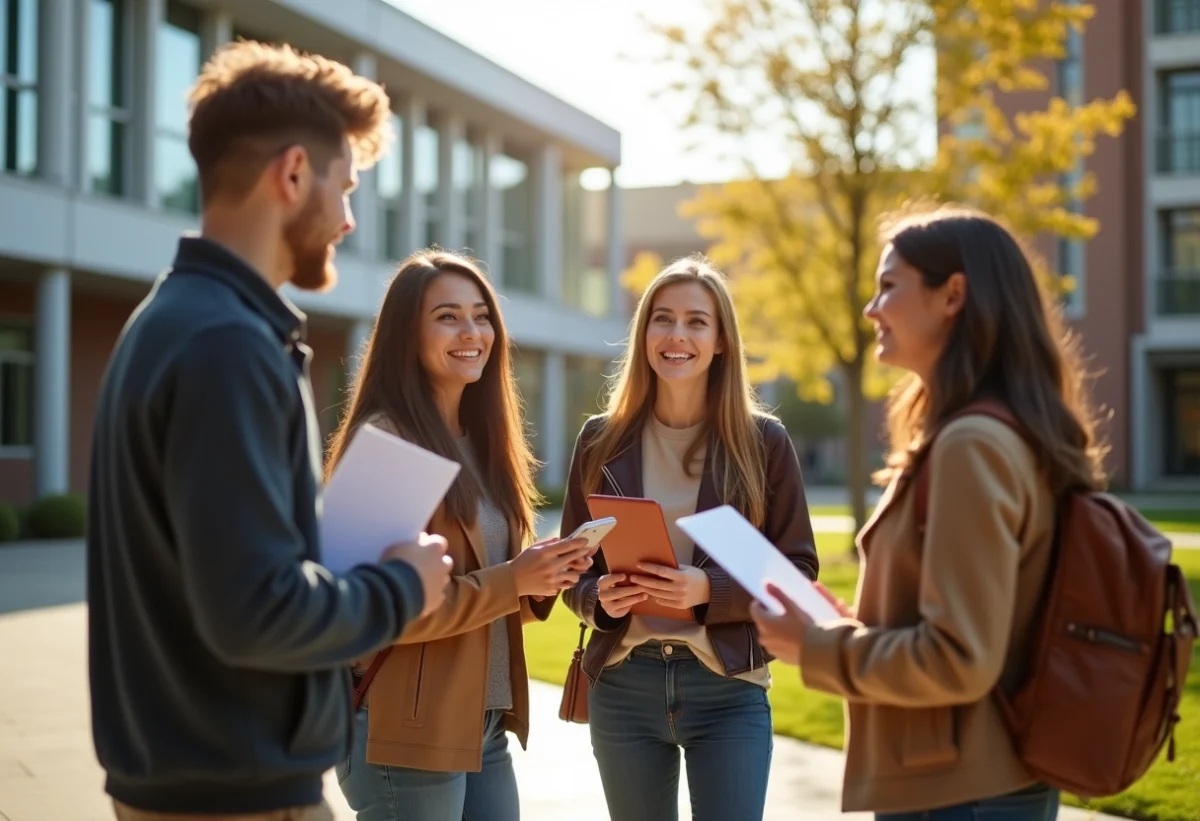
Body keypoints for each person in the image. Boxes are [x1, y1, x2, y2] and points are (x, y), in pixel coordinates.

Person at [87, 41, 453, 821]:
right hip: (242, 795)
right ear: (293, 174)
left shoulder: (167, 321)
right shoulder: (228, 344)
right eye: (346, 187)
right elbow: (255, 611)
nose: (350, 219)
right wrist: (403, 586)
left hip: (186, 782)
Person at [752, 207, 1107, 821]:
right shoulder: (994, 432)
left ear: (953, 296)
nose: (871, 309)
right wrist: (850, 628)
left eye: (889, 286)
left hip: (960, 794)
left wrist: (816, 647)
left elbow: (958, 658)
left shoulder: (973, 445)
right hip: (971, 783)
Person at [326, 249, 594, 821]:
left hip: (484, 725)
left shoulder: (480, 441)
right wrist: (510, 579)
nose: (472, 332)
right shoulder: (390, 441)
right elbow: (365, 617)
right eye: (447, 316)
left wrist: (539, 578)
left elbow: (483, 604)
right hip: (405, 734)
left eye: (481, 315)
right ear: (407, 335)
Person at [556, 257, 820, 821]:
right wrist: (597, 600)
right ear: (644, 332)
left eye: (697, 322)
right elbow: (574, 568)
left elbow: (798, 573)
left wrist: (708, 588)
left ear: (722, 340)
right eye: (662, 319)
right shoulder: (601, 439)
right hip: (624, 686)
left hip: (728, 686)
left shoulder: (762, 441)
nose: (677, 335)